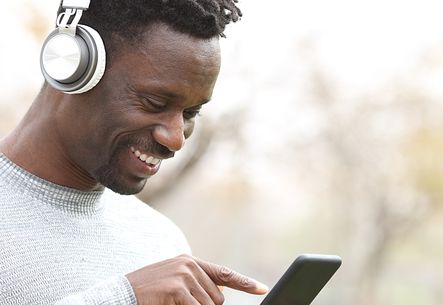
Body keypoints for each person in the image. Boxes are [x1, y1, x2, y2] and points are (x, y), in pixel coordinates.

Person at [0, 0, 268, 304]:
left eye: (191, 113)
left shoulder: (162, 241)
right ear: (71, 67)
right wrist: (125, 296)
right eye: (154, 103)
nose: (176, 139)